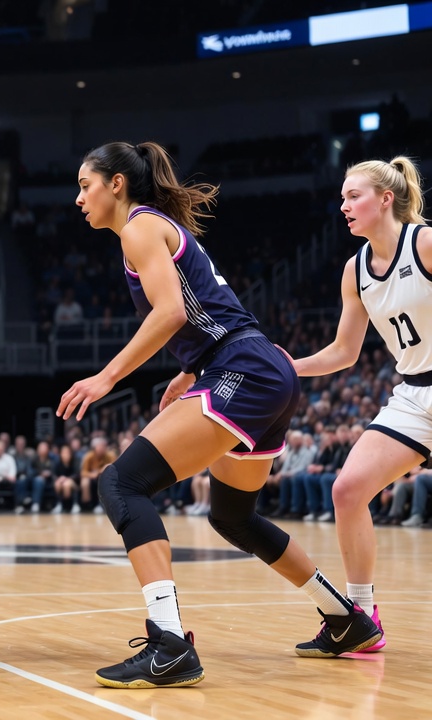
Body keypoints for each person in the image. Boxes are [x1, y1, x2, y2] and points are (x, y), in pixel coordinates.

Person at [61, 141, 379, 689]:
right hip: (254, 365)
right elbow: (205, 313)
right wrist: (189, 371)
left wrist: (106, 376)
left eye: (85, 185)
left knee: (122, 483)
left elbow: (172, 311)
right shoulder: (147, 229)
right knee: (233, 517)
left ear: (116, 183)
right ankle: (344, 618)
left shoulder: (139, 226)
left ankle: (168, 643)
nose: (77, 198)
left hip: (245, 369)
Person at [289, 155, 428, 654]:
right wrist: (291, 365)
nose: (343, 205)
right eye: (343, 197)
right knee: (347, 490)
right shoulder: (355, 270)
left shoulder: (426, 243)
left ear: (385, 199)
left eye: (354, 196)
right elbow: (345, 353)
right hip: (414, 393)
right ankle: (360, 617)